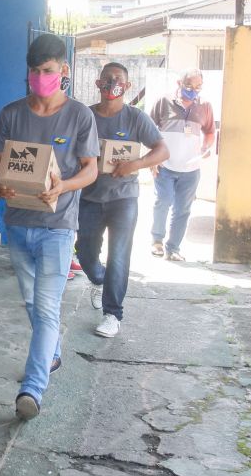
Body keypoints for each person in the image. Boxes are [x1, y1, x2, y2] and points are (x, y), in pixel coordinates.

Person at [0, 34, 99, 420]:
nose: (40, 78)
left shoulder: (79, 116)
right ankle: (51, 353)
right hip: (18, 222)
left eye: (47, 71)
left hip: (58, 225)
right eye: (34, 71)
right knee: (32, 302)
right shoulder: (11, 114)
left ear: (63, 71)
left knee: (48, 307)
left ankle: (32, 389)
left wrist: (62, 186)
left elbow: (91, 169)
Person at [77, 62, 169, 338]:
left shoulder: (135, 118)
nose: (112, 83)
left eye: (118, 79)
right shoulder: (86, 116)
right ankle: (98, 278)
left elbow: (162, 150)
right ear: (97, 83)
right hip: (89, 197)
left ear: (127, 86)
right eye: (107, 78)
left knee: (119, 256)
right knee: (85, 252)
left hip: (123, 198)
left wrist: (136, 164)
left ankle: (112, 314)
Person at [149, 69, 215, 261]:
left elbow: (210, 132)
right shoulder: (164, 101)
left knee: (183, 209)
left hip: (191, 169)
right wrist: (153, 157)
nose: (193, 91)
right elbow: (149, 129)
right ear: (179, 83)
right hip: (165, 165)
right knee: (163, 201)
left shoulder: (205, 106)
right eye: (189, 86)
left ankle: (173, 248)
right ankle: (157, 241)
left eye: (198, 87)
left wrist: (205, 146)